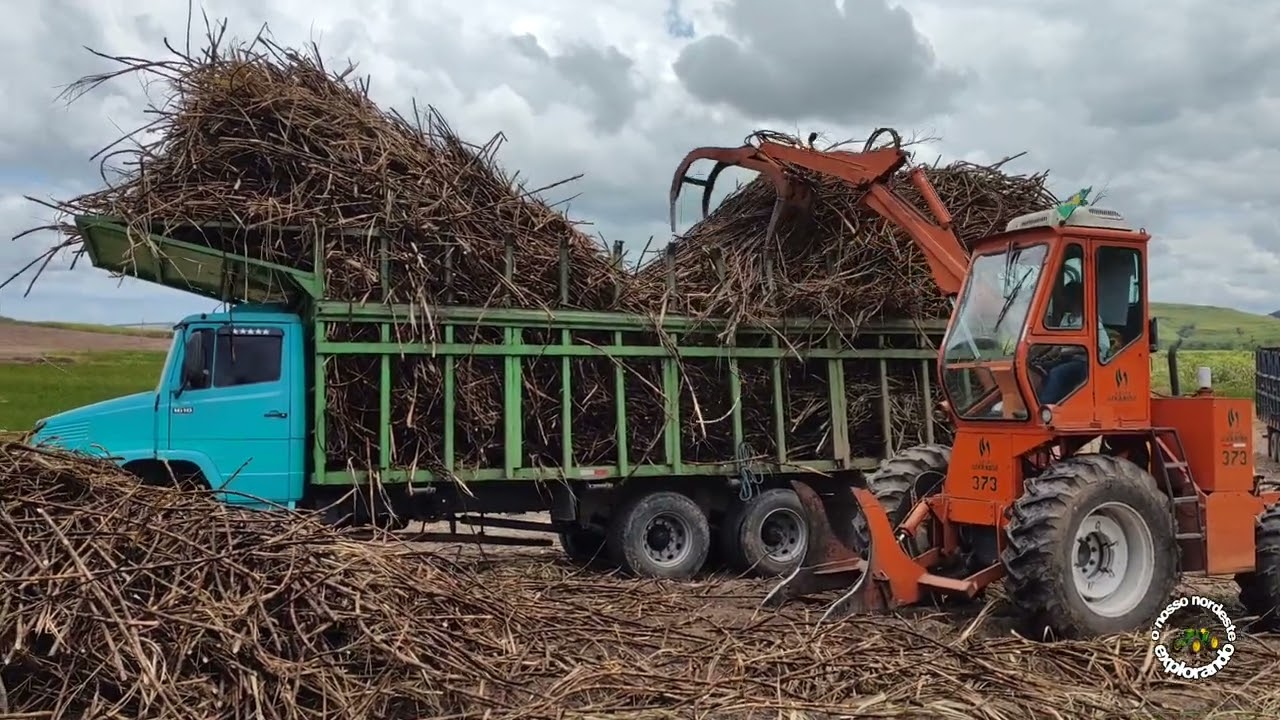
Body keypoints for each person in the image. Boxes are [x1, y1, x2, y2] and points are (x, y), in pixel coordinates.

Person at [1038, 281, 1110, 405]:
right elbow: (1059, 344)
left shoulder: (1091, 320)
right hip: (1067, 359)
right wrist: (1045, 357)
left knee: (1057, 373)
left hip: (1084, 363)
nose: (1062, 300)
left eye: (1066, 296)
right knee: (1039, 369)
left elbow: (1103, 345)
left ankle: (1043, 407)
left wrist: (1071, 351)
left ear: (1075, 298)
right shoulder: (1066, 319)